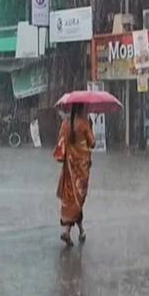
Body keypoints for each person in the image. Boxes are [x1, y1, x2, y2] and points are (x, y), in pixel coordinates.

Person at [55, 103, 96, 245]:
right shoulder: (84, 124)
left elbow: (60, 145)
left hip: (69, 169)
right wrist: (90, 127)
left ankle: (80, 231)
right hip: (82, 170)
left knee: (71, 200)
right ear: (82, 109)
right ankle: (68, 231)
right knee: (78, 201)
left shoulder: (65, 124)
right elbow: (92, 143)